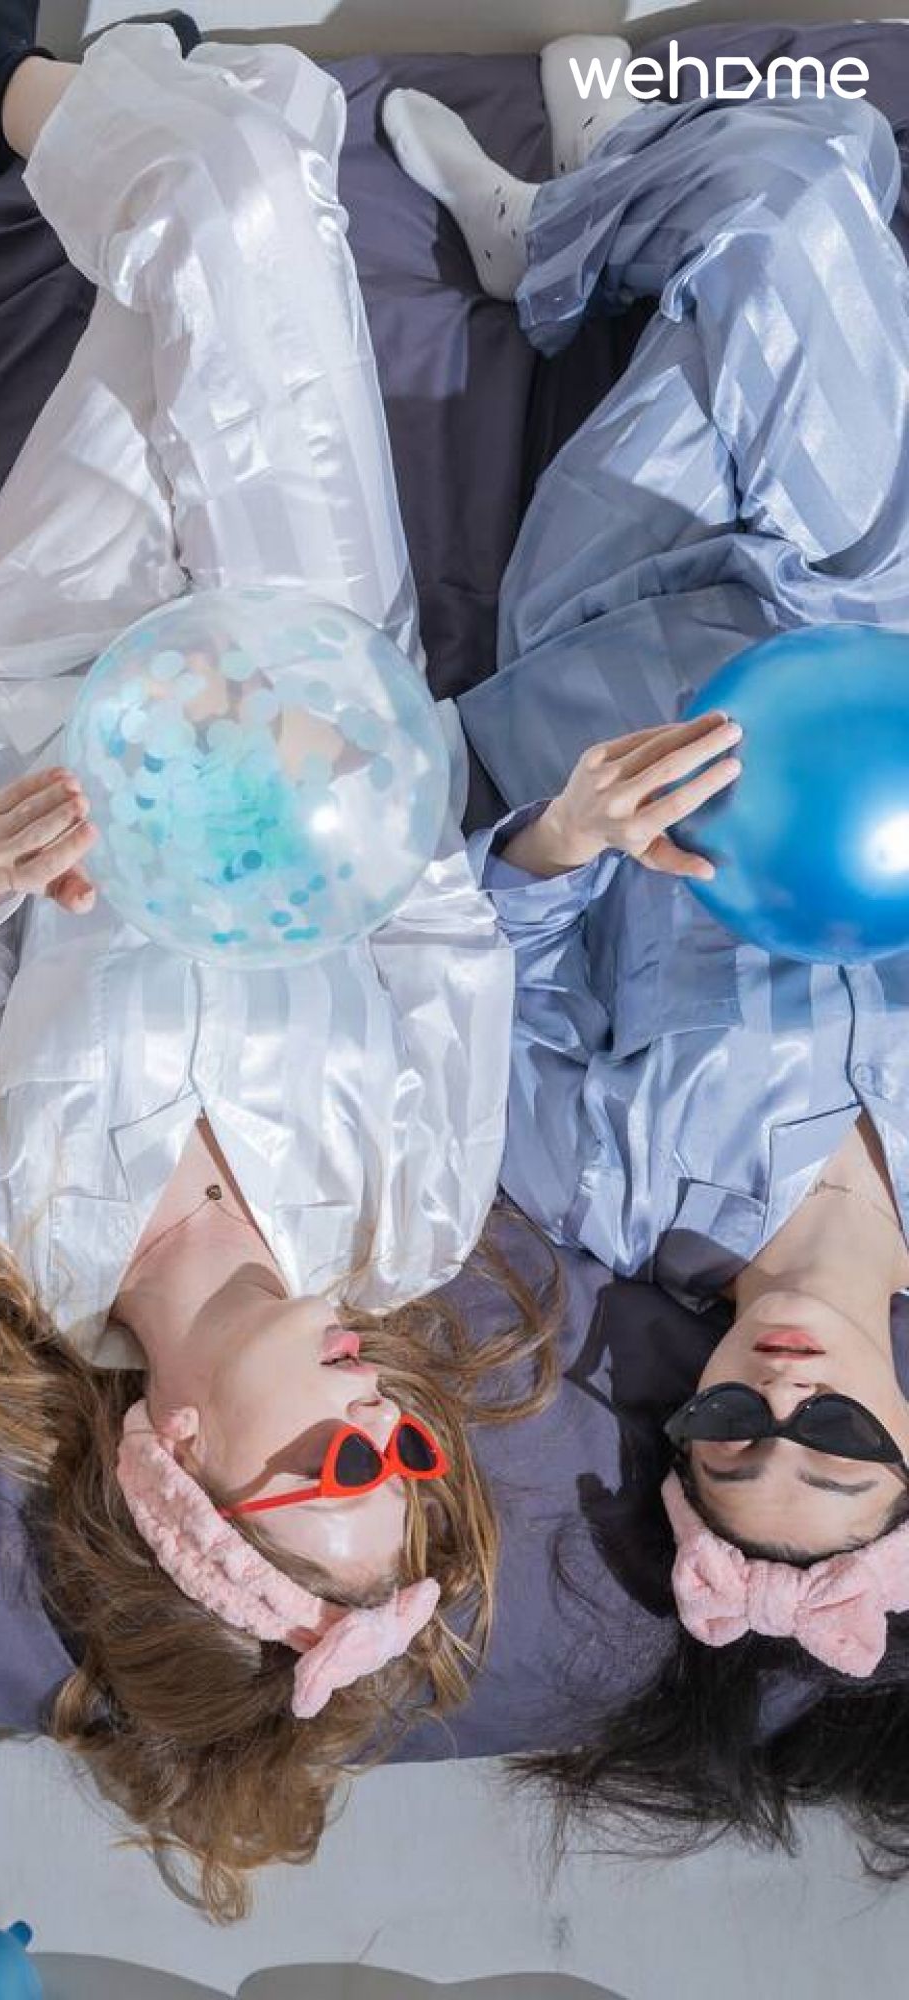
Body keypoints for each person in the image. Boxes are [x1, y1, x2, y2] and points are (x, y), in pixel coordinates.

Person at [0, 7, 554, 1916]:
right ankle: (67, 92)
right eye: (407, 1453)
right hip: (306, 661)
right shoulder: (410, 1212)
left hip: (48, 668)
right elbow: (441, 922)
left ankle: (70, 91)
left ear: (175, 1463)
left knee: (233, 201)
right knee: (242, 200)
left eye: (333, 1466)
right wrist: (334, 761)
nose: (384, 1419)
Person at [385, 38, 909, 1873]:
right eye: (834, 1439)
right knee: (812, 190)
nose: (783, 1387)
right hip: (875, 617)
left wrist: (557, 840)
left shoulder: (612, 1188)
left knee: (800, 189)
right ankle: (596, 211)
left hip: (638, 617)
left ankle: (572, 232)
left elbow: (468, 971)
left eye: (731, 1429)